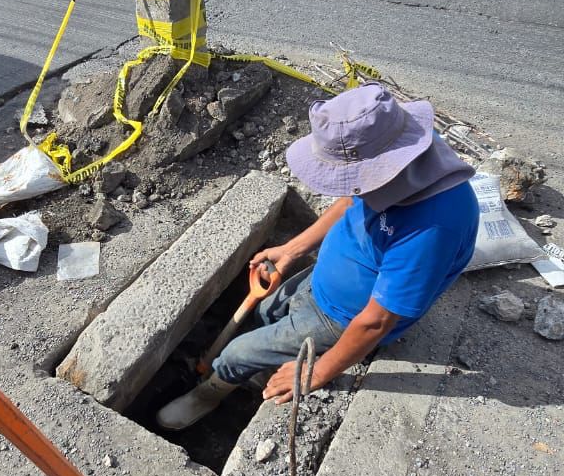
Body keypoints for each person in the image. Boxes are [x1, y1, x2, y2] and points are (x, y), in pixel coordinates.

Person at [156, 82, 480, 430]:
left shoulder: (434, 227)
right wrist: (292, 249)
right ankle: (258, 368)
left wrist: (318, 371)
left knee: (237, 354)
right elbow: (349, 201)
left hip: (343, 318)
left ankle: (209, 393)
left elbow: (376, 322)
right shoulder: (393, 147)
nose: (348, 186)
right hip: (319, 280)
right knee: (264, 311)